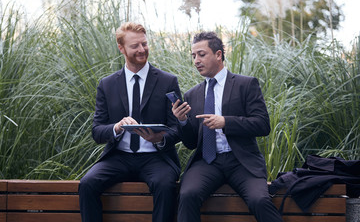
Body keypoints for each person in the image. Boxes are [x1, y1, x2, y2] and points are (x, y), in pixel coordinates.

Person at [172, 31, 283, 222]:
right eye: (193, 56)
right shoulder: (192, 94)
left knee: (259, 200)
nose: (196, 60)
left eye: (201, 54)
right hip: (207, 163)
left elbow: (263, 125)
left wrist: (225, 122)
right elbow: (191, 143)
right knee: (187, 194)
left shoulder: (245, 84)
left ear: (218, 54)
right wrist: (182, 121)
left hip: (242, 161)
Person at [79, 22, 181, 222]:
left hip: (156, 158)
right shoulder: (107, 84)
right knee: (87, 184)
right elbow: (97, 131)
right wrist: (116, 128)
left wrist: (159, 138)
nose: (142, 50)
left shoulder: (168, 81)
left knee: (166, 185)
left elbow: (177, 129)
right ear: (121, 48)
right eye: (135, 46)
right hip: (118, 157)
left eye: (144, 44)